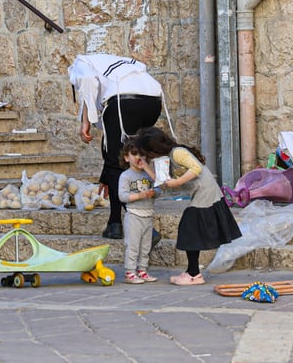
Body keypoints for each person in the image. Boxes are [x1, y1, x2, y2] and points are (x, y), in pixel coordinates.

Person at [69, 54, 163, 239]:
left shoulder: (79, 63)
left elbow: (87, 83)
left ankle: (132, 226)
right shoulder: (116, 63)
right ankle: (121, 221)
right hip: (153, 101)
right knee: (126, 158)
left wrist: (85, 122)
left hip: (124, 101)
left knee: (115, 162)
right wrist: (105, 175)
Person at [134, 126, 241, 285]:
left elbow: (196, 168)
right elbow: (163, 182)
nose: (148, 156)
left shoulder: (177, 153)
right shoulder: (166, 159)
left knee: (188, 228)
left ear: (154, 150)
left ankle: (193, 274)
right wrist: (146, 167)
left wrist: (177, 182)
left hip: (205, 192)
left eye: (148, 153)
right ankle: (193, 272)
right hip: (200, 193)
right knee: (190, 230)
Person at [117, 138, 159, 283]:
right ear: (127, 157)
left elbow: (160, 188)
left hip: (148, 214)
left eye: (142, 154)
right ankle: (130, 272)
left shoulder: (149, 174)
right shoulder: (126, 176)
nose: (138, 158)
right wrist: (140, 195)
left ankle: (142, 270)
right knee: (133, 245)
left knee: (146, 246)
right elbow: (122, 196)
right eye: (134, 154)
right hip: (134, 214)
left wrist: (154, 192)